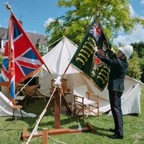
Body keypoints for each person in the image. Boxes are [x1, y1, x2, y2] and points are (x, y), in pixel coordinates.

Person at [93, 45, 133, 139]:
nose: (118, 52)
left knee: (115, 110)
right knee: (117, 109)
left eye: (120, 52)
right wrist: (112, 52)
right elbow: (116, 58)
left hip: (115, 89)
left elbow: (107, 60)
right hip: (118, 89)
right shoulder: (123, 62)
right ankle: (118, 129)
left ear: (123, 55)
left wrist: (96, 52)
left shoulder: (118, 63)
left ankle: (119, 133)